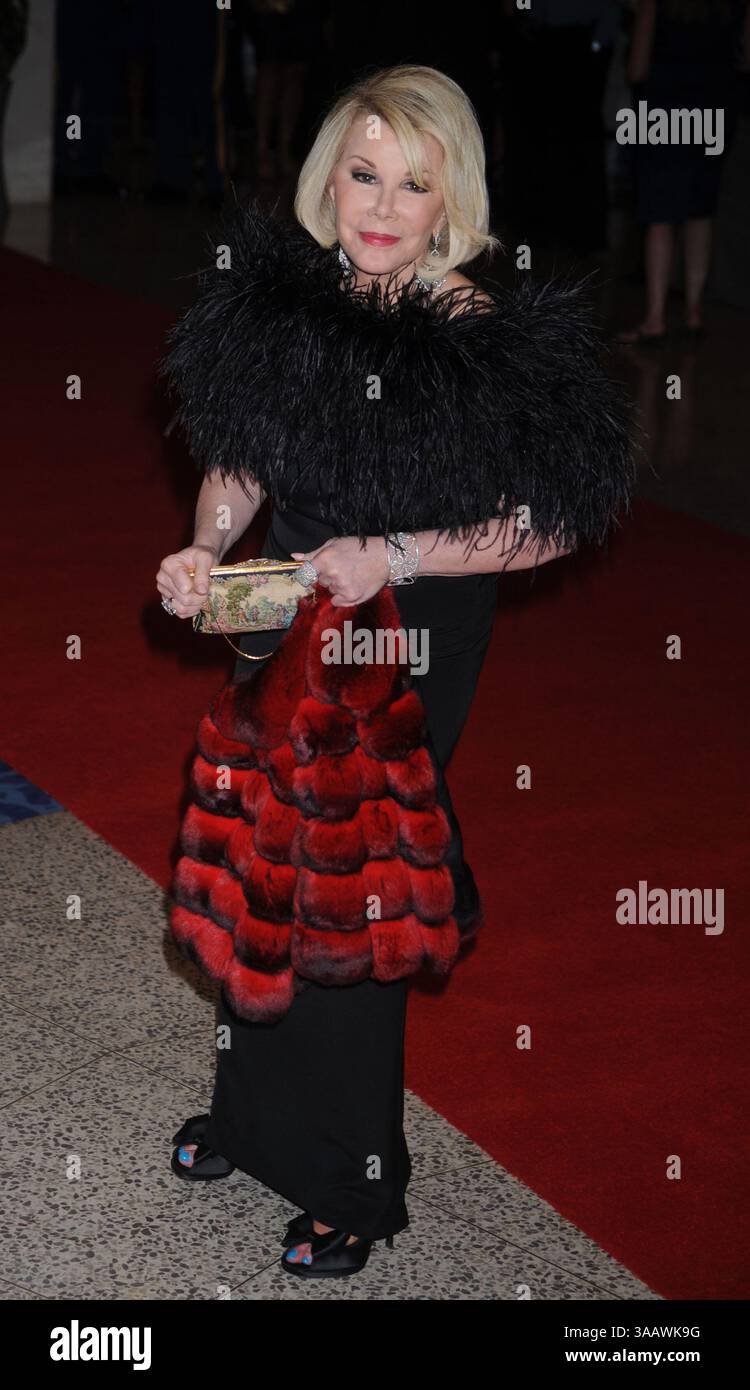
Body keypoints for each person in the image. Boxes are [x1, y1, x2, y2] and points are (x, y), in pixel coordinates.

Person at [156, 64, 636, 1280]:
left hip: (413, 634)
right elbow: (236, 462)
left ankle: (355, 1183)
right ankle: (257, 1125)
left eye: (412, 182)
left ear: (450, 198)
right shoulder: (285, 307)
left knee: (353, 894)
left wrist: (399, 554)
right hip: (288, 609)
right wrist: (205, 550)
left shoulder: (489, 342)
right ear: (331, 179)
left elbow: (557, 519)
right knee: (263, 852)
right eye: (363, 174)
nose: (381, 205)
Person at [616, 0, 749, 344]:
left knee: (660, 215)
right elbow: (744, 57)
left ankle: (656, 317)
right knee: (700, 211)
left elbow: (637, 69)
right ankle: (693, 313)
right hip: (716, 106)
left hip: (664, 109)